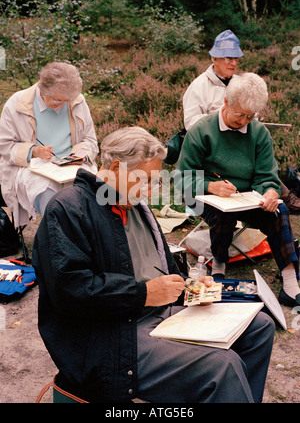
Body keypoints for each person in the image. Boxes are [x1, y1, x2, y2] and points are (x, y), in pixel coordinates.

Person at [32, 126, 275, 403]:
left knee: (259, 328)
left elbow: (161, 269)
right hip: (109, 337)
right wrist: (144, 293)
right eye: (144, 180)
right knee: (222, 365)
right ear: (115, 168)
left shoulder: (135, 206)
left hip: (159, 316)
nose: (149, 190)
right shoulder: (67, 208)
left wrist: (191, 289)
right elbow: (69, 290)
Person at [177, 73, 300, 308]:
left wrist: (270, 192)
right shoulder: (202, 129)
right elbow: (182, 176)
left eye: (250, 116)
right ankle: (219, 268)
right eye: (240, 114)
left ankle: (290, 283)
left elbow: (266, 176)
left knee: (279, 211)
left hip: (248, 199)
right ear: (226, 102)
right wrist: (210, 186)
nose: (244, 121)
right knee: (223, 213)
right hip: (207, 198)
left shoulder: (259, 133)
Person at [182, 29, 300, 213]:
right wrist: (220, 121)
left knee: (265, 169)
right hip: (211, 154)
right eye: (228, 58)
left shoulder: (242, 83)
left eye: (237, 58)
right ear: (214, 57)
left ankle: (277, 194)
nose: (234, 63)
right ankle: (287, 195)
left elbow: (252, 120)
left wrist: (244, 119)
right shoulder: (199, 87)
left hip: (242, 150)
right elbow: (191, 124)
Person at [0, 62, 98, 227]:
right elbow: (5, 146)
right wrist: (34, 151)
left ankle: (89, 239)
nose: (61, 105)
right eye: (57, 101)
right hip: (32, 167)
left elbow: (90, 140)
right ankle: (60, 239)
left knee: (90, 192)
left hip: (71, 164)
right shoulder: (17, 103)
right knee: (50, 197)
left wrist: (79, 155)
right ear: (42, 89)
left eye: (66, 101)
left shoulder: (76, 101)